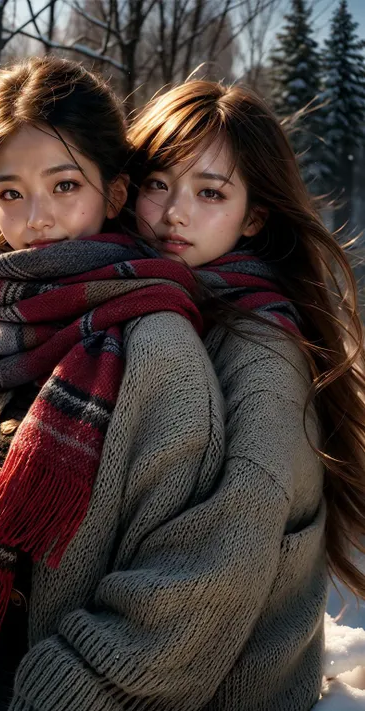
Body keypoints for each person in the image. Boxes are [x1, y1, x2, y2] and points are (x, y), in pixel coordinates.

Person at [0, 56, 228, 711]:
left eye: (65, 184)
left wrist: (60, 689)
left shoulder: (155, 341)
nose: (36, 216)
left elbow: (185, 579)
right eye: (10, 191)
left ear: (115, 193)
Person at [128, 79, 365, 709]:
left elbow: (219, 569)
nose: (174, 211)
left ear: (254, 215)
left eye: (210, 192)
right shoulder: (147, 310)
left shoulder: (262, 349)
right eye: (157, 182)